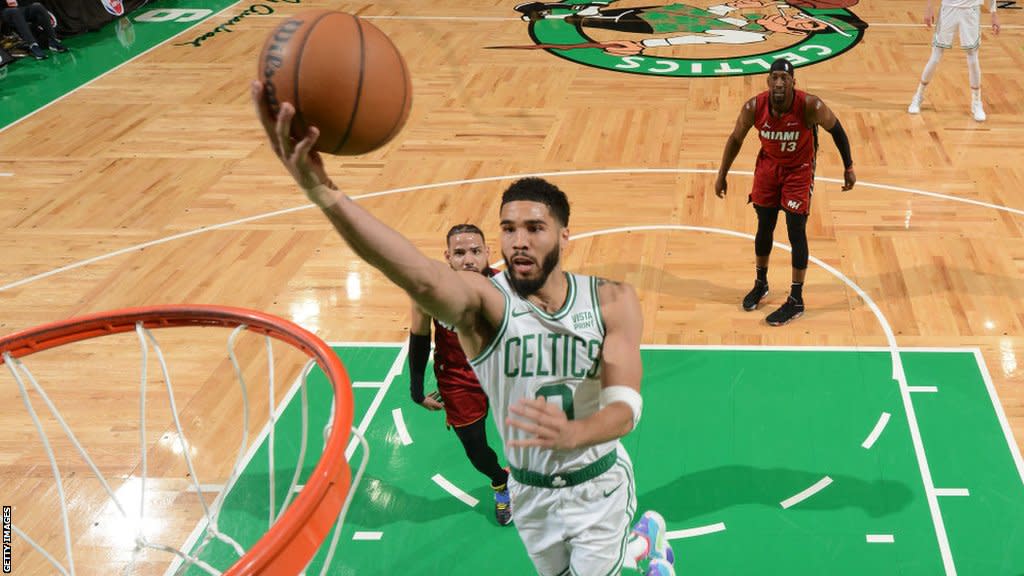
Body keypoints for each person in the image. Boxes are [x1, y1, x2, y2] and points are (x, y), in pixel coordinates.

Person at [251, 83, 676, 575]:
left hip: (597, 484)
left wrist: (577, 431)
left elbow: (625, 411)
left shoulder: (612, 299)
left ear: (564, 234)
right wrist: (325, 194)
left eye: (534, 228)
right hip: (529, 491)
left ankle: (640, 551)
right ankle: (646, 548)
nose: (518, 241)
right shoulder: (484, 306)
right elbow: (422, 277)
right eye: (509, 228)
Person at [714, 58, 856, 326]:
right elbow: (735, 139)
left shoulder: (810, 106)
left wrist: (848, 167)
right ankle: (760, 283)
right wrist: (722, 174)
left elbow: (837, 130)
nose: (779, 82)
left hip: (799, 171)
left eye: (784, 78)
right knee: (764, 226)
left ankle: (796, 299)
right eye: (775, 77)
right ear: (768, 82)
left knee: (795, 230)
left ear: (793, 83)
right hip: (768, 168)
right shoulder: (754, 107)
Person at [408, 223, 513, 527]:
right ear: (448, 257)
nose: (469, 259)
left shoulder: (511, 286)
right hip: (458, 379)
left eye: (476, 251)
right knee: (476, 450)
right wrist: (416, 389)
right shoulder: (430, 291)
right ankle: (499, 482)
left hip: (505, 370)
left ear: (488, 253)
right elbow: (418, 338)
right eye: (460, 252)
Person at [907, 0, 999, 121]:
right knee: (935, 57)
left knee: (973, 58)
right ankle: (918, 96)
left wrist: (994, 13)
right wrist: (929, 6)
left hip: (971, 11)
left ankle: (976, 102)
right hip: (948, 9)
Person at [1, 0, 67, 60]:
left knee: (37, 6)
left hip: (20, 8)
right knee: (15, 11)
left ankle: (53, 41)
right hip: (4, 11)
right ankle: (33, 45)